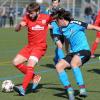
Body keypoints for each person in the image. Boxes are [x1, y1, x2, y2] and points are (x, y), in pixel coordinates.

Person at [52, 9, 100, 100]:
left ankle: (82, 89)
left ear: (62, 19)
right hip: (73, 53)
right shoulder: (62, 29)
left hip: (84, 51)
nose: (57, 23)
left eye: (57, 21)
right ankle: (69, 90)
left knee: (74, 63)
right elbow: (66, 40)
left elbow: (93, 27)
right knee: (58, 66)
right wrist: (66, 51)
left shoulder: (76, 23)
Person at [13, 2, 54, 96]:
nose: (30, 15)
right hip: (29, 46)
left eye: (32, 13)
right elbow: (16, 29)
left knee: (30, 65)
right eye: (29, 13)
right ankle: (35, 77)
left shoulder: (46, 17)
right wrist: (20, 25)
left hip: (40, 47)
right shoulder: (27, 17)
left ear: (38, 11)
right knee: (15, 62)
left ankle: (22, 89)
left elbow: (55, 20)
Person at [46, 0, 68, 64]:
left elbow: (65, 18)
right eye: (53, 3)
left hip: (61, 31)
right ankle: (63, 62)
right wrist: (48, 25)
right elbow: (46, 20)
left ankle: (56, 59)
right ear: (52, 3)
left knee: (59, 46)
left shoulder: (62, 10)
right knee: (60, 45)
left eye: (56, 3)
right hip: (54, 32)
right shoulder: (48, 11)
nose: (54, 4)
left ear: (58, 3)